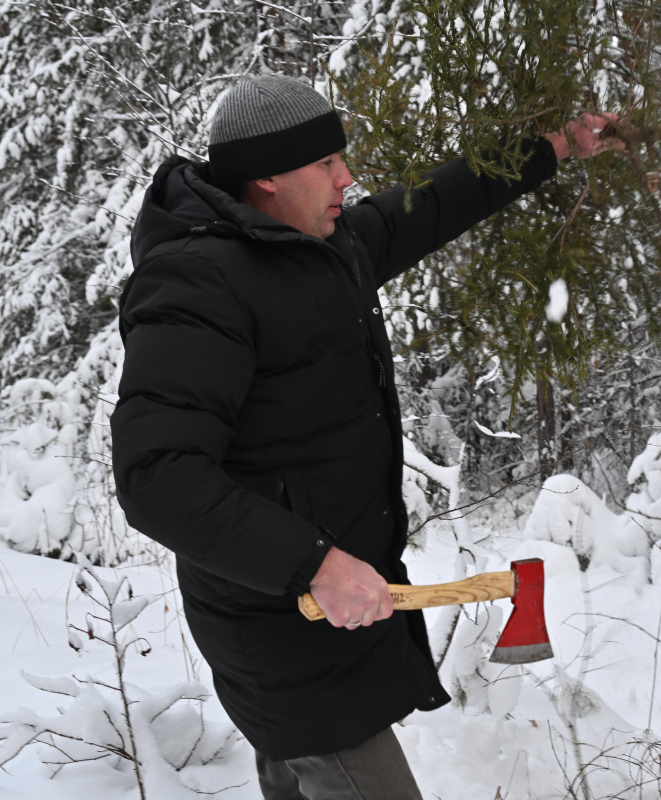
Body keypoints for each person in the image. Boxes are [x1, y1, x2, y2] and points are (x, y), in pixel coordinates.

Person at [110, 74, 621, 799]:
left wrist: (554, 148)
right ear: (265, 176)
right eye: (325, 164)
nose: (346, 177)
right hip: (283, 625)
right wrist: (312, 564)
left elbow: (436, 203)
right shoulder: (196, 285)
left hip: (319, 616)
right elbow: (155, 477)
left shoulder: (326, 244)